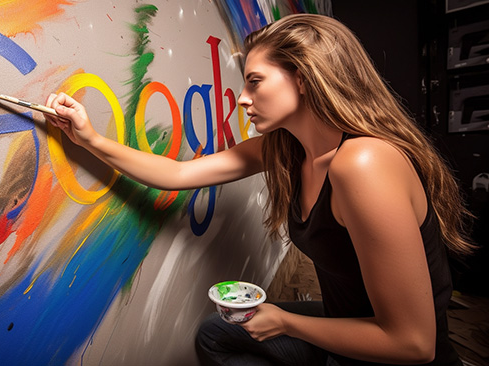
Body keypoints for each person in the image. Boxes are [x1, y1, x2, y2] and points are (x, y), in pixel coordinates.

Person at [44, 13, 474, 366]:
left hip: (393, 355)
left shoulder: (364, 164)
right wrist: (90, 139)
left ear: (302, 78)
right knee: (217, 334)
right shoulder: (284, 149)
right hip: (348, 323)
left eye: (255, 81)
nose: (242, 99)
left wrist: (287, 323)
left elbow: (414, 344)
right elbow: (175, 176)